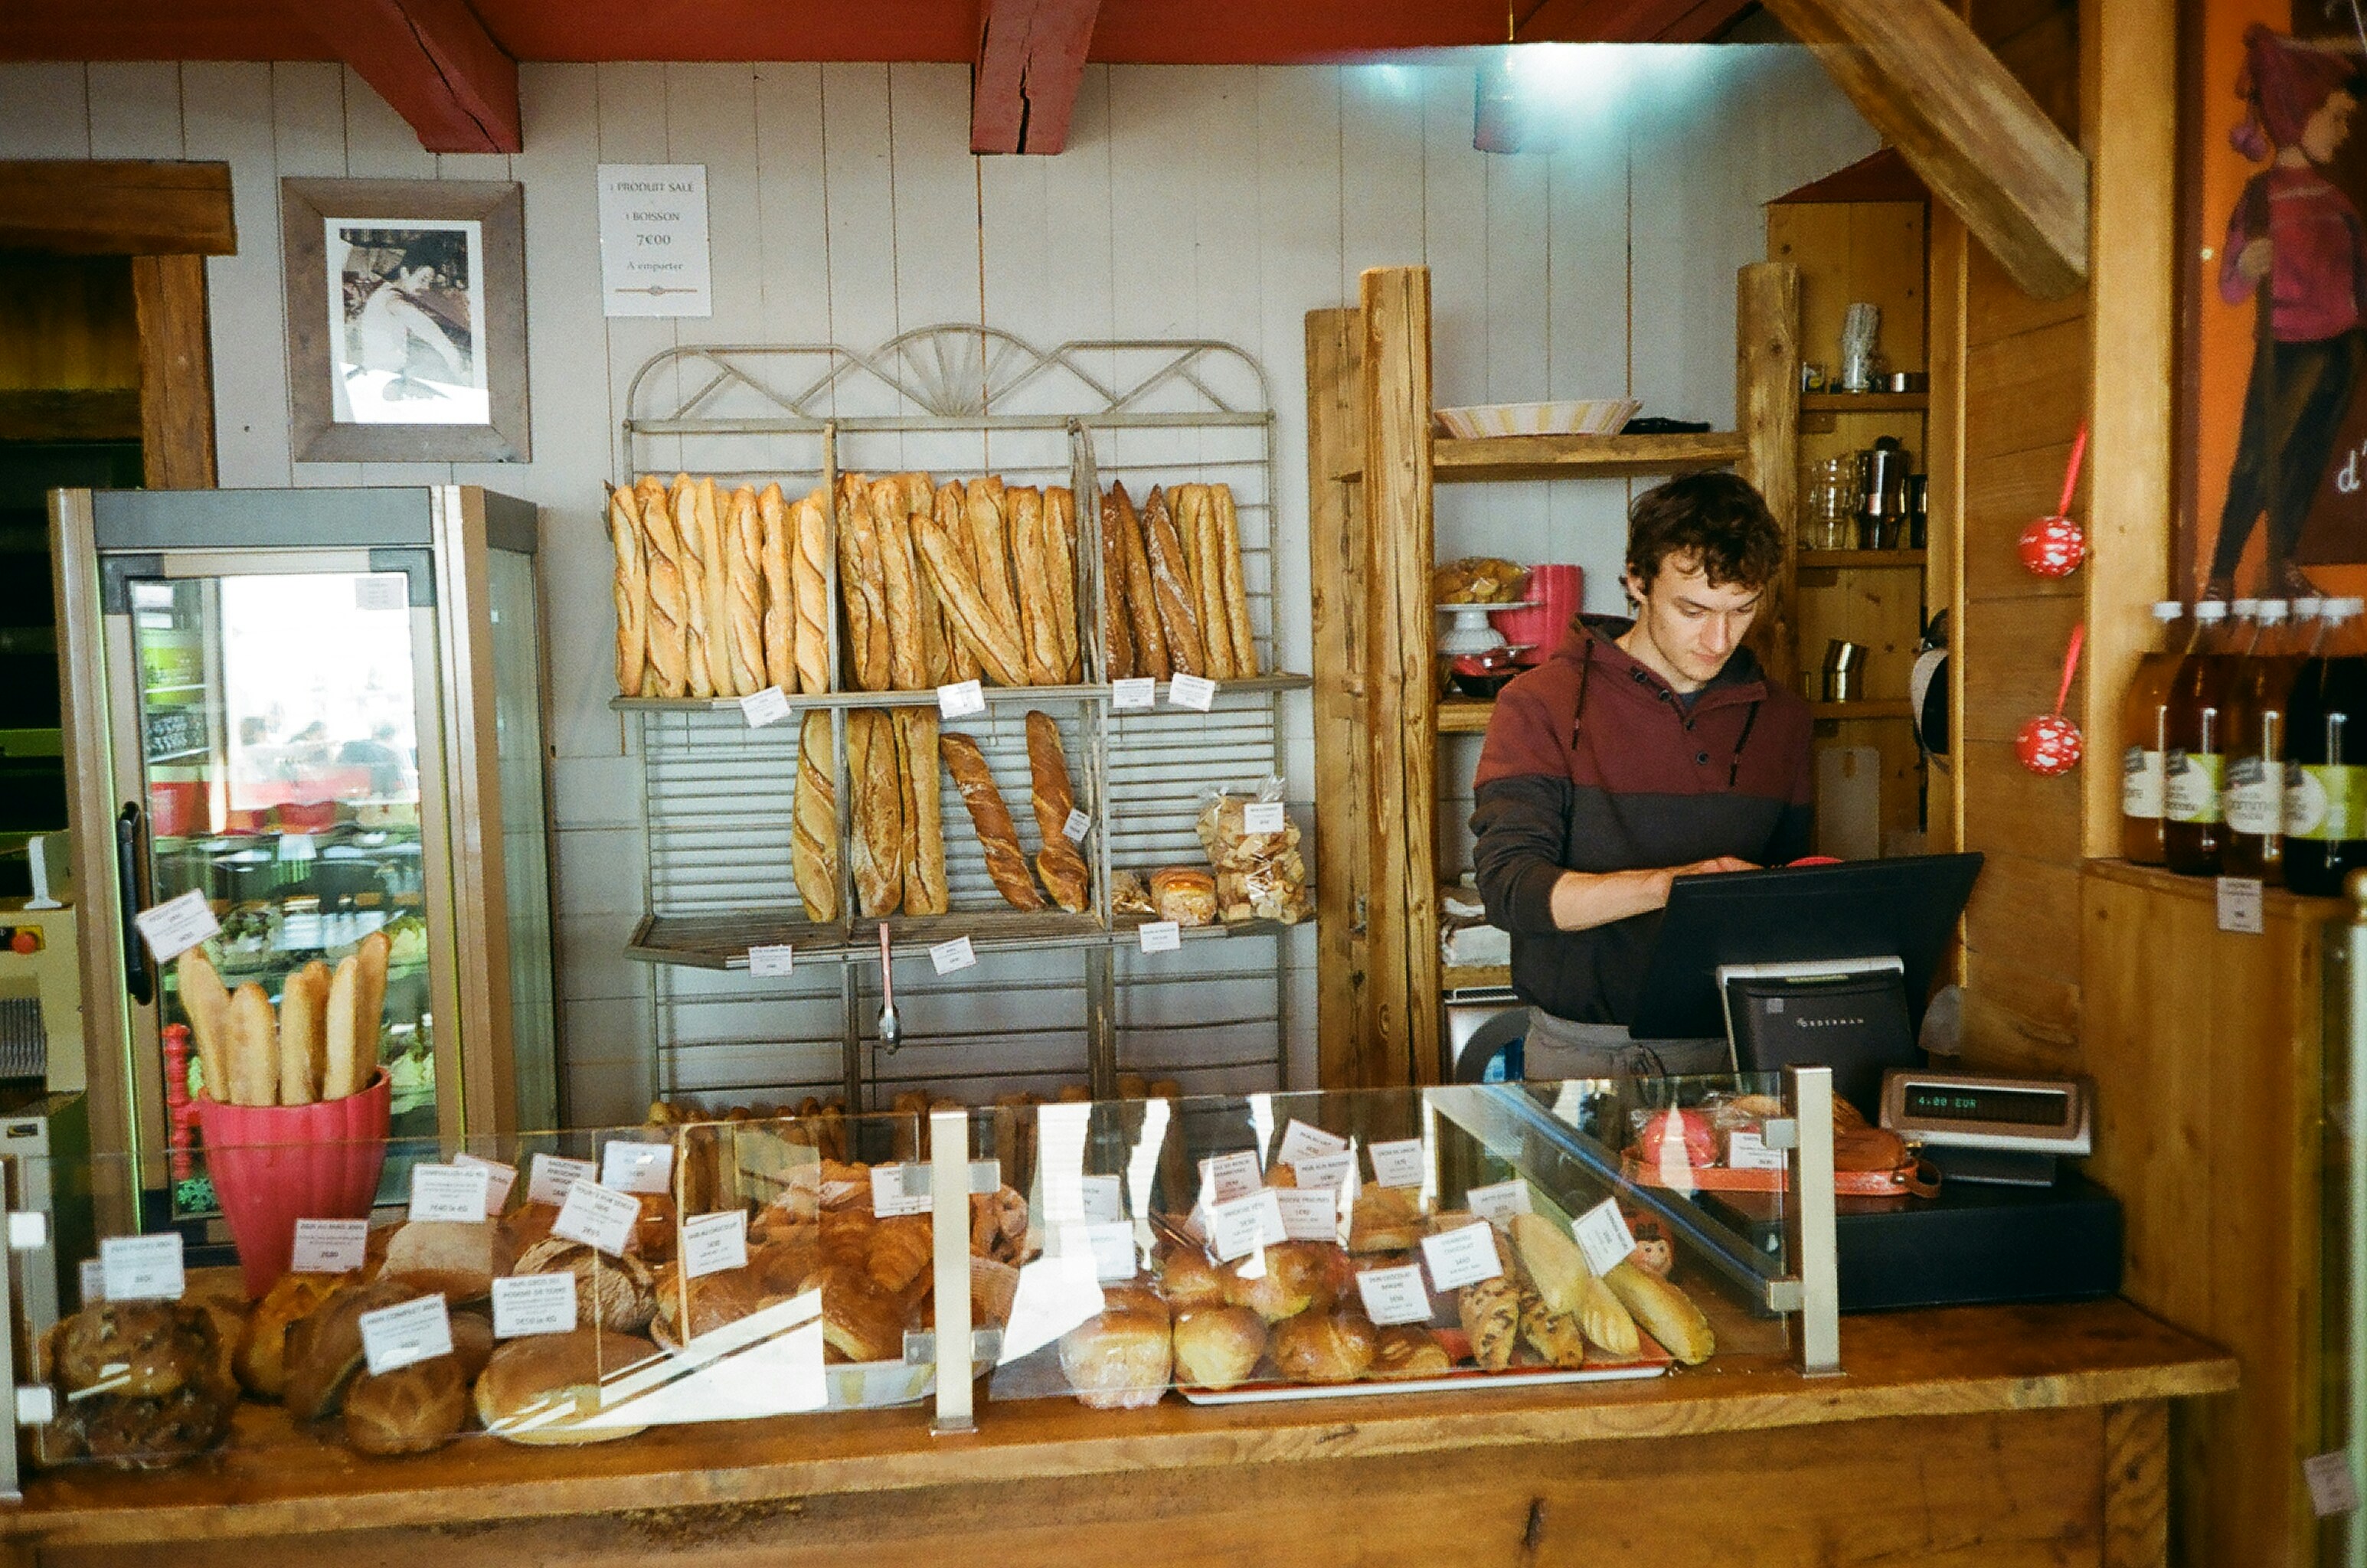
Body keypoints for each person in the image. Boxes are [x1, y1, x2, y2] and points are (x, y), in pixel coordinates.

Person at [1470, 472, 1813, 1079]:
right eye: (1692, 610)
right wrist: (1677, 887)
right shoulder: (1538, 702)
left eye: (1742, 610)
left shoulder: (1782, 718)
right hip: (1581, 1051)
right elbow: (1509, 890)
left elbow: (1787, 891)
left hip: (1740, 1047)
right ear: (1635, 580)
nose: (1717, 638)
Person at [2205, 25, 2365, 603]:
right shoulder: (2258, 198)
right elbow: (2227, 287)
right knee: (2258, 461)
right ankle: (2221, 574)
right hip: (2288, 348)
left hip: (2341, 348)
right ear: (2297, 115)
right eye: (2334, 118)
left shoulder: (2338, 200)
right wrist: (2245, 266)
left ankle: (2284, 564)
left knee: (2308, 462)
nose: (2342, 132)